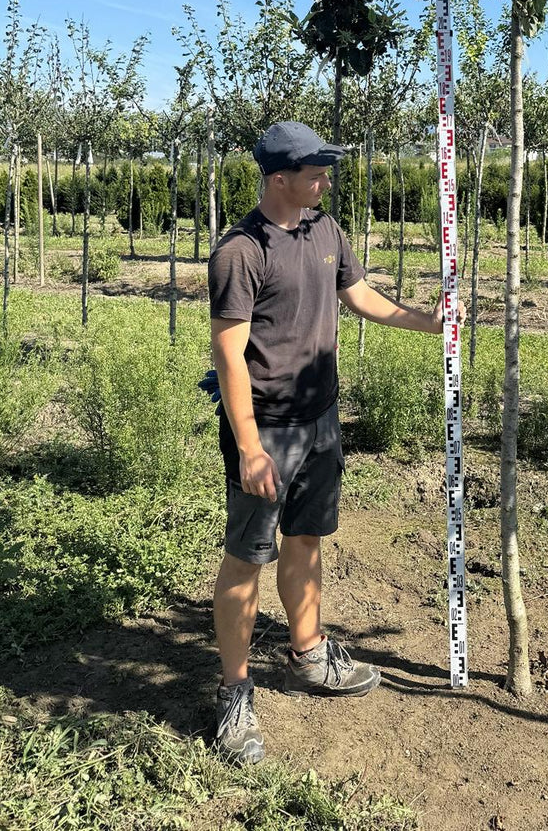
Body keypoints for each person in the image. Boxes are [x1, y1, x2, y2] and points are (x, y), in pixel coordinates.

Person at [208, 120, 463, 764]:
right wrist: (249, 448)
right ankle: (234, 695)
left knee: (306, 538)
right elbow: (231, 356)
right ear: (278, 179)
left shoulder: (325, 230)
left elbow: (360, 297)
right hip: (267, 428)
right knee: (246, 559)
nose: (325, 180)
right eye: (315, 172)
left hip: (321, 418)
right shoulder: (240, 252)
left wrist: (425, 322)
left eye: (326, 170)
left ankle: (308, 653)